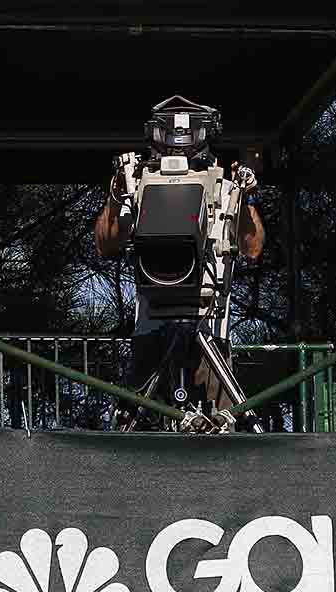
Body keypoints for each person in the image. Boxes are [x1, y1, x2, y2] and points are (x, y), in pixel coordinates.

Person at [93, 109, 265, 424]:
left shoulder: (222, 187)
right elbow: (106, 244)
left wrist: (244, 197)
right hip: (152, 329)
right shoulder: (138, 187)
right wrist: (116, 196)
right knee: (133, 426)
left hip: (208, 330)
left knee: (222, 426)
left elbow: (252, 249)